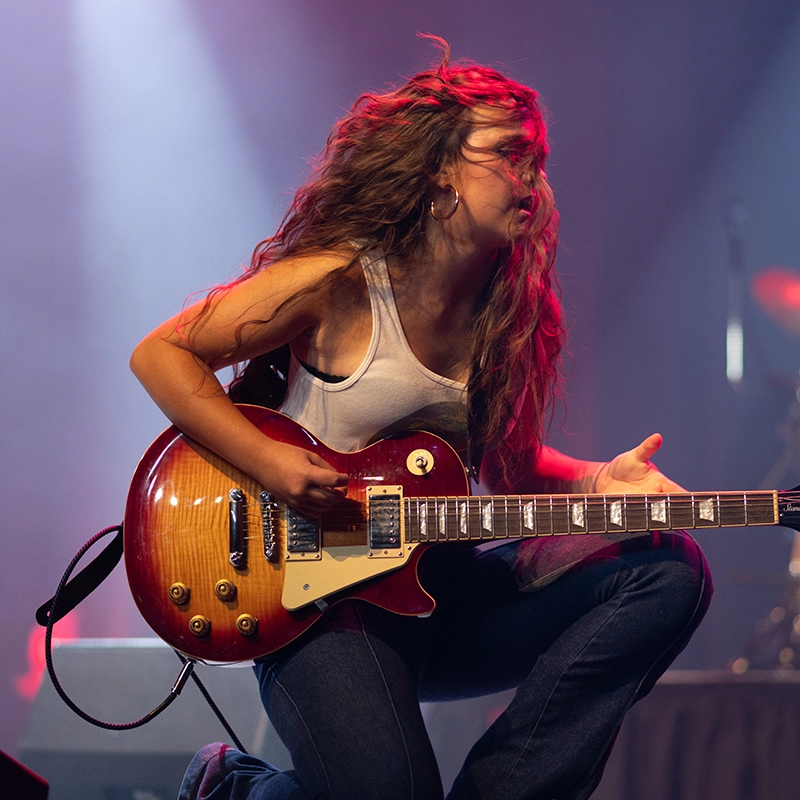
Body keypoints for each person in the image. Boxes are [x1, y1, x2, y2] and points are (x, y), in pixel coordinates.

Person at [131, 38, 712, 800]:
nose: (530, 179)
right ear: (441, 166)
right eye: (508, 154)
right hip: (322, 612)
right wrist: (272, 466)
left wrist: (603, 477)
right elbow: (161, 355)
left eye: (537, 161)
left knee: (670, 569)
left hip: (440, 591)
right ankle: (233, 788)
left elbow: (507, 467)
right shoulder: (339, 279)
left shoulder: (512, 312)